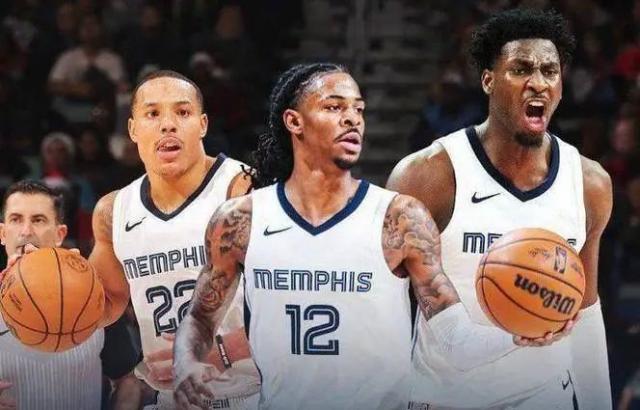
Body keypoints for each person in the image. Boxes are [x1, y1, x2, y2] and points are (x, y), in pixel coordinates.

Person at [173, 63, 570, 410]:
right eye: (334, 107)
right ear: (294, 121)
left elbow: (454, 339)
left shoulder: (400, 219)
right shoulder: (241, 221)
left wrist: (516, 335)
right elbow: (200, 318)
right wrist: (186, 364)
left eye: (358, 109)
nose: (352, 119)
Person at [387, 8, 612, 410]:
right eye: (521, 69)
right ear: (488, 80)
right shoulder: (428, 177)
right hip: (447, 399)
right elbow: (393, 313)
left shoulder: (590, 183)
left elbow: (586, 312)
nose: (538, 83)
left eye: (550, 71)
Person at [88, 70, 259, 409]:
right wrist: (36, 284)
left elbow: (296, 301)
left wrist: (216, 353)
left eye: (182, 112)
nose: (168, 124)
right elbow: (100, 307)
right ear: (133, 129)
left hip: (255, 395)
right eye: (153, 113)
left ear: (203, 124)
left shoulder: (243, 189)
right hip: (172, 399)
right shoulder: (113, 212)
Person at [0, 180, 140, 410]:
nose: (26, 231)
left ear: (60, 234)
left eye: (38, 220)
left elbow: (128, 379)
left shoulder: (92, 294)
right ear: (3, 233)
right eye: (16, 219)